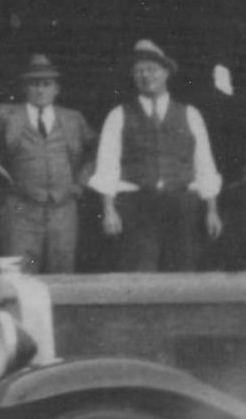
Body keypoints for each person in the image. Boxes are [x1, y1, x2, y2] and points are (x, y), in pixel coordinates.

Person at [87, 39, 222, 271]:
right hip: (137, 207)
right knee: (139, 274)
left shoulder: (190, 114)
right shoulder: (119, 115)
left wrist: (212, 211)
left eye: (152, 69)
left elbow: (204, 164)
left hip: (182, 206)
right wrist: (109, 211)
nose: (146, 75)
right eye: (139, 70)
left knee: (184, 273)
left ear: (166, 73)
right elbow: (107, 166)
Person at [0, 54, 94, 273]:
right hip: (21, 210)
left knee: (64, 275)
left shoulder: (73, 119)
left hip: (63, 210)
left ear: (56, 89)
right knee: (19, 277)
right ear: (25, 88)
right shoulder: (6, 116)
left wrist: (81, 182)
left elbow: (99, 149)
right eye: (34, 84)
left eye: (46, 84)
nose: (40, 90)